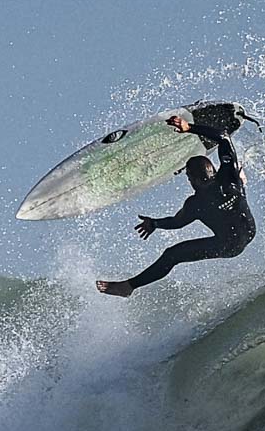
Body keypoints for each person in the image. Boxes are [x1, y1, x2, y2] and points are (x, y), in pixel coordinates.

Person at [96, 115, 256, 297]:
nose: (189, 181)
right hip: (249, 231)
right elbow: (223, 137)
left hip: (227, 246)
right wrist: (189, 127)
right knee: (239, 179)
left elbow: (176, 222)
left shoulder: (196, 203)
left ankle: (128, 286)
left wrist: (155, 224)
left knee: (172, 255)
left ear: (192, 179)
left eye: (188, 177)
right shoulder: (228, 177)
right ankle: (128, 286)